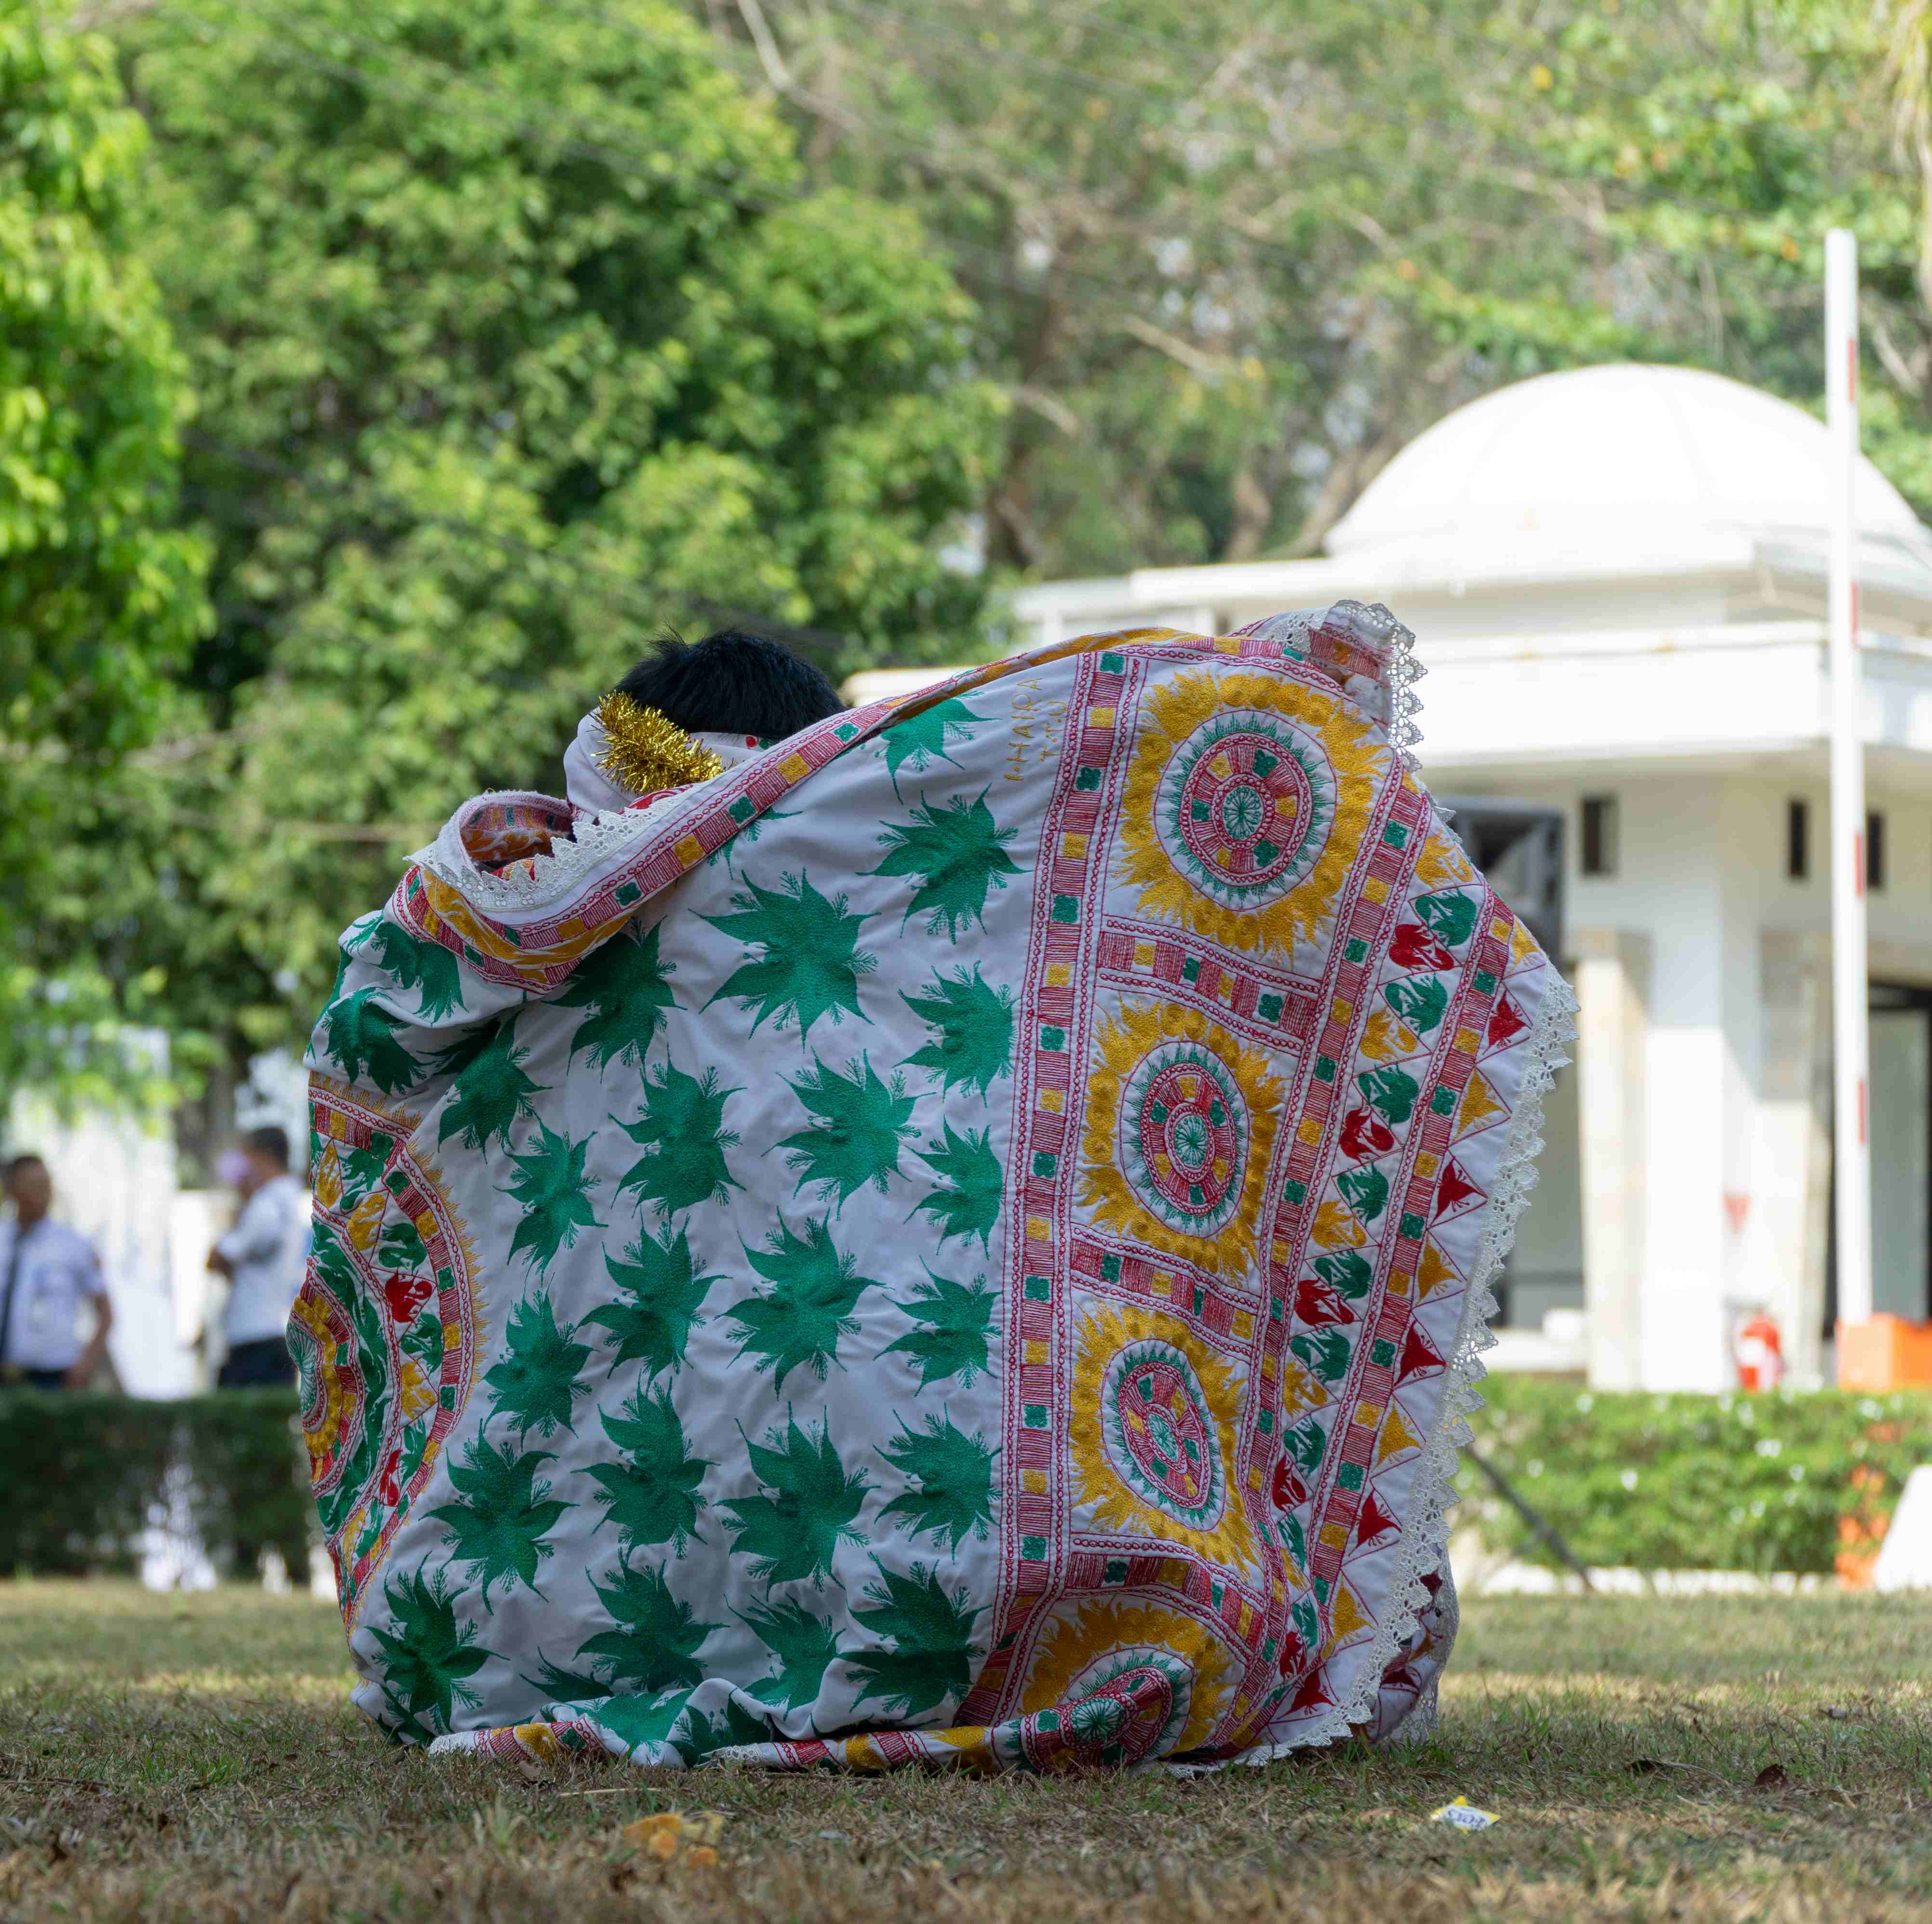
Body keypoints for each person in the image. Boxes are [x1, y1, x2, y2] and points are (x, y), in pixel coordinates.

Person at [290, 609, 1571, 1772]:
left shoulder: (526, 911)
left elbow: (373, 1047)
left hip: (508, 1629)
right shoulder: (939, 911)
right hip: (970, 1603)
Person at [0, 1152, 114, 1390]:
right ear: (11, 1190)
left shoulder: (74, 1246)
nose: (44, 1192)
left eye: (46, 1184)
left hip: (53, 1378)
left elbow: (106, 1314)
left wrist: (86, 1362)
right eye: (34, 1185)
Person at [208, 1127, 309, 1388]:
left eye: (246, 1155)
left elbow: (216, 1259)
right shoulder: (288, 1197)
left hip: (255, 1338)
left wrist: (241, 1205)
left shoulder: (266, 1204)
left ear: (262, 1156)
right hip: (275, 1333)